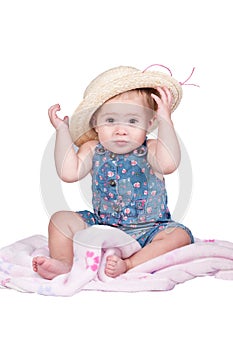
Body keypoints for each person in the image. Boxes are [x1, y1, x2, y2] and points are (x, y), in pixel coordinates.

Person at [32, 65, 194, 280]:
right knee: (59, 220)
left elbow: (169, 164)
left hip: (151, 229)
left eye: (133, 121)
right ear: (95, 124)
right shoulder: (92, 149)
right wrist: (62, 132)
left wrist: (167, 121)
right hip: (102, 225)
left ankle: (130, 263)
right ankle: (64, 263)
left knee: (179, 236)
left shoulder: (152, 149)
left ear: (150, 123)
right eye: (110, 121)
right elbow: (68, 173)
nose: (120, 130)